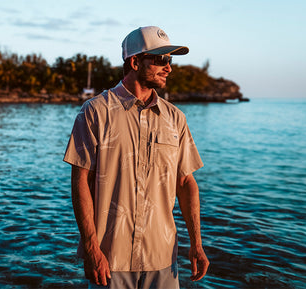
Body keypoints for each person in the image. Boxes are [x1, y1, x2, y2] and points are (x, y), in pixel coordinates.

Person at [64, 26, 209, 289]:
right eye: (161, 60)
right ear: (134, 62)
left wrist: (196, 244)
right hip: (110, 259)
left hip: (163, 257)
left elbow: (186, 182)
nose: (169, 68)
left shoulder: (175, 118)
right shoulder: (94, 112)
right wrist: (91, 248)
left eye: (170, 61)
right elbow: (80, 182)